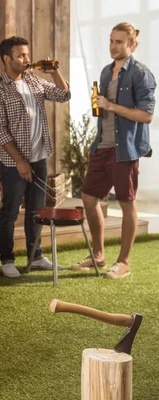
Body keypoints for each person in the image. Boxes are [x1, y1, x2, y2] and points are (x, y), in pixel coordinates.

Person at [73, 23, 155, 279]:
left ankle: (124, 262)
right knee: (88, 198)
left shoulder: (141, 74)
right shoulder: (107, 72)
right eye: (111, 41)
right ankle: (98, 255)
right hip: (103, 146)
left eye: (119, 42)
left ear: (131, 45)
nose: (113, 46)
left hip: (125, 150)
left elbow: (147, 115)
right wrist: (101, 106)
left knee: (126, 202)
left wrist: (112, 105)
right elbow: (104, 109)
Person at [0, 36, 70, 278]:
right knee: (10, 210)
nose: (27, 59)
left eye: (26, 54)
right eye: (21, 55)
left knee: (37, 209)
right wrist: (20, 161)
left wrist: (55, 72)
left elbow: (64, 95)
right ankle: (7, 259)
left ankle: (37, 255)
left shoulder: (34, 81)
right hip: (13, 162)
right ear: (6, 59)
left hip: (39, 157)